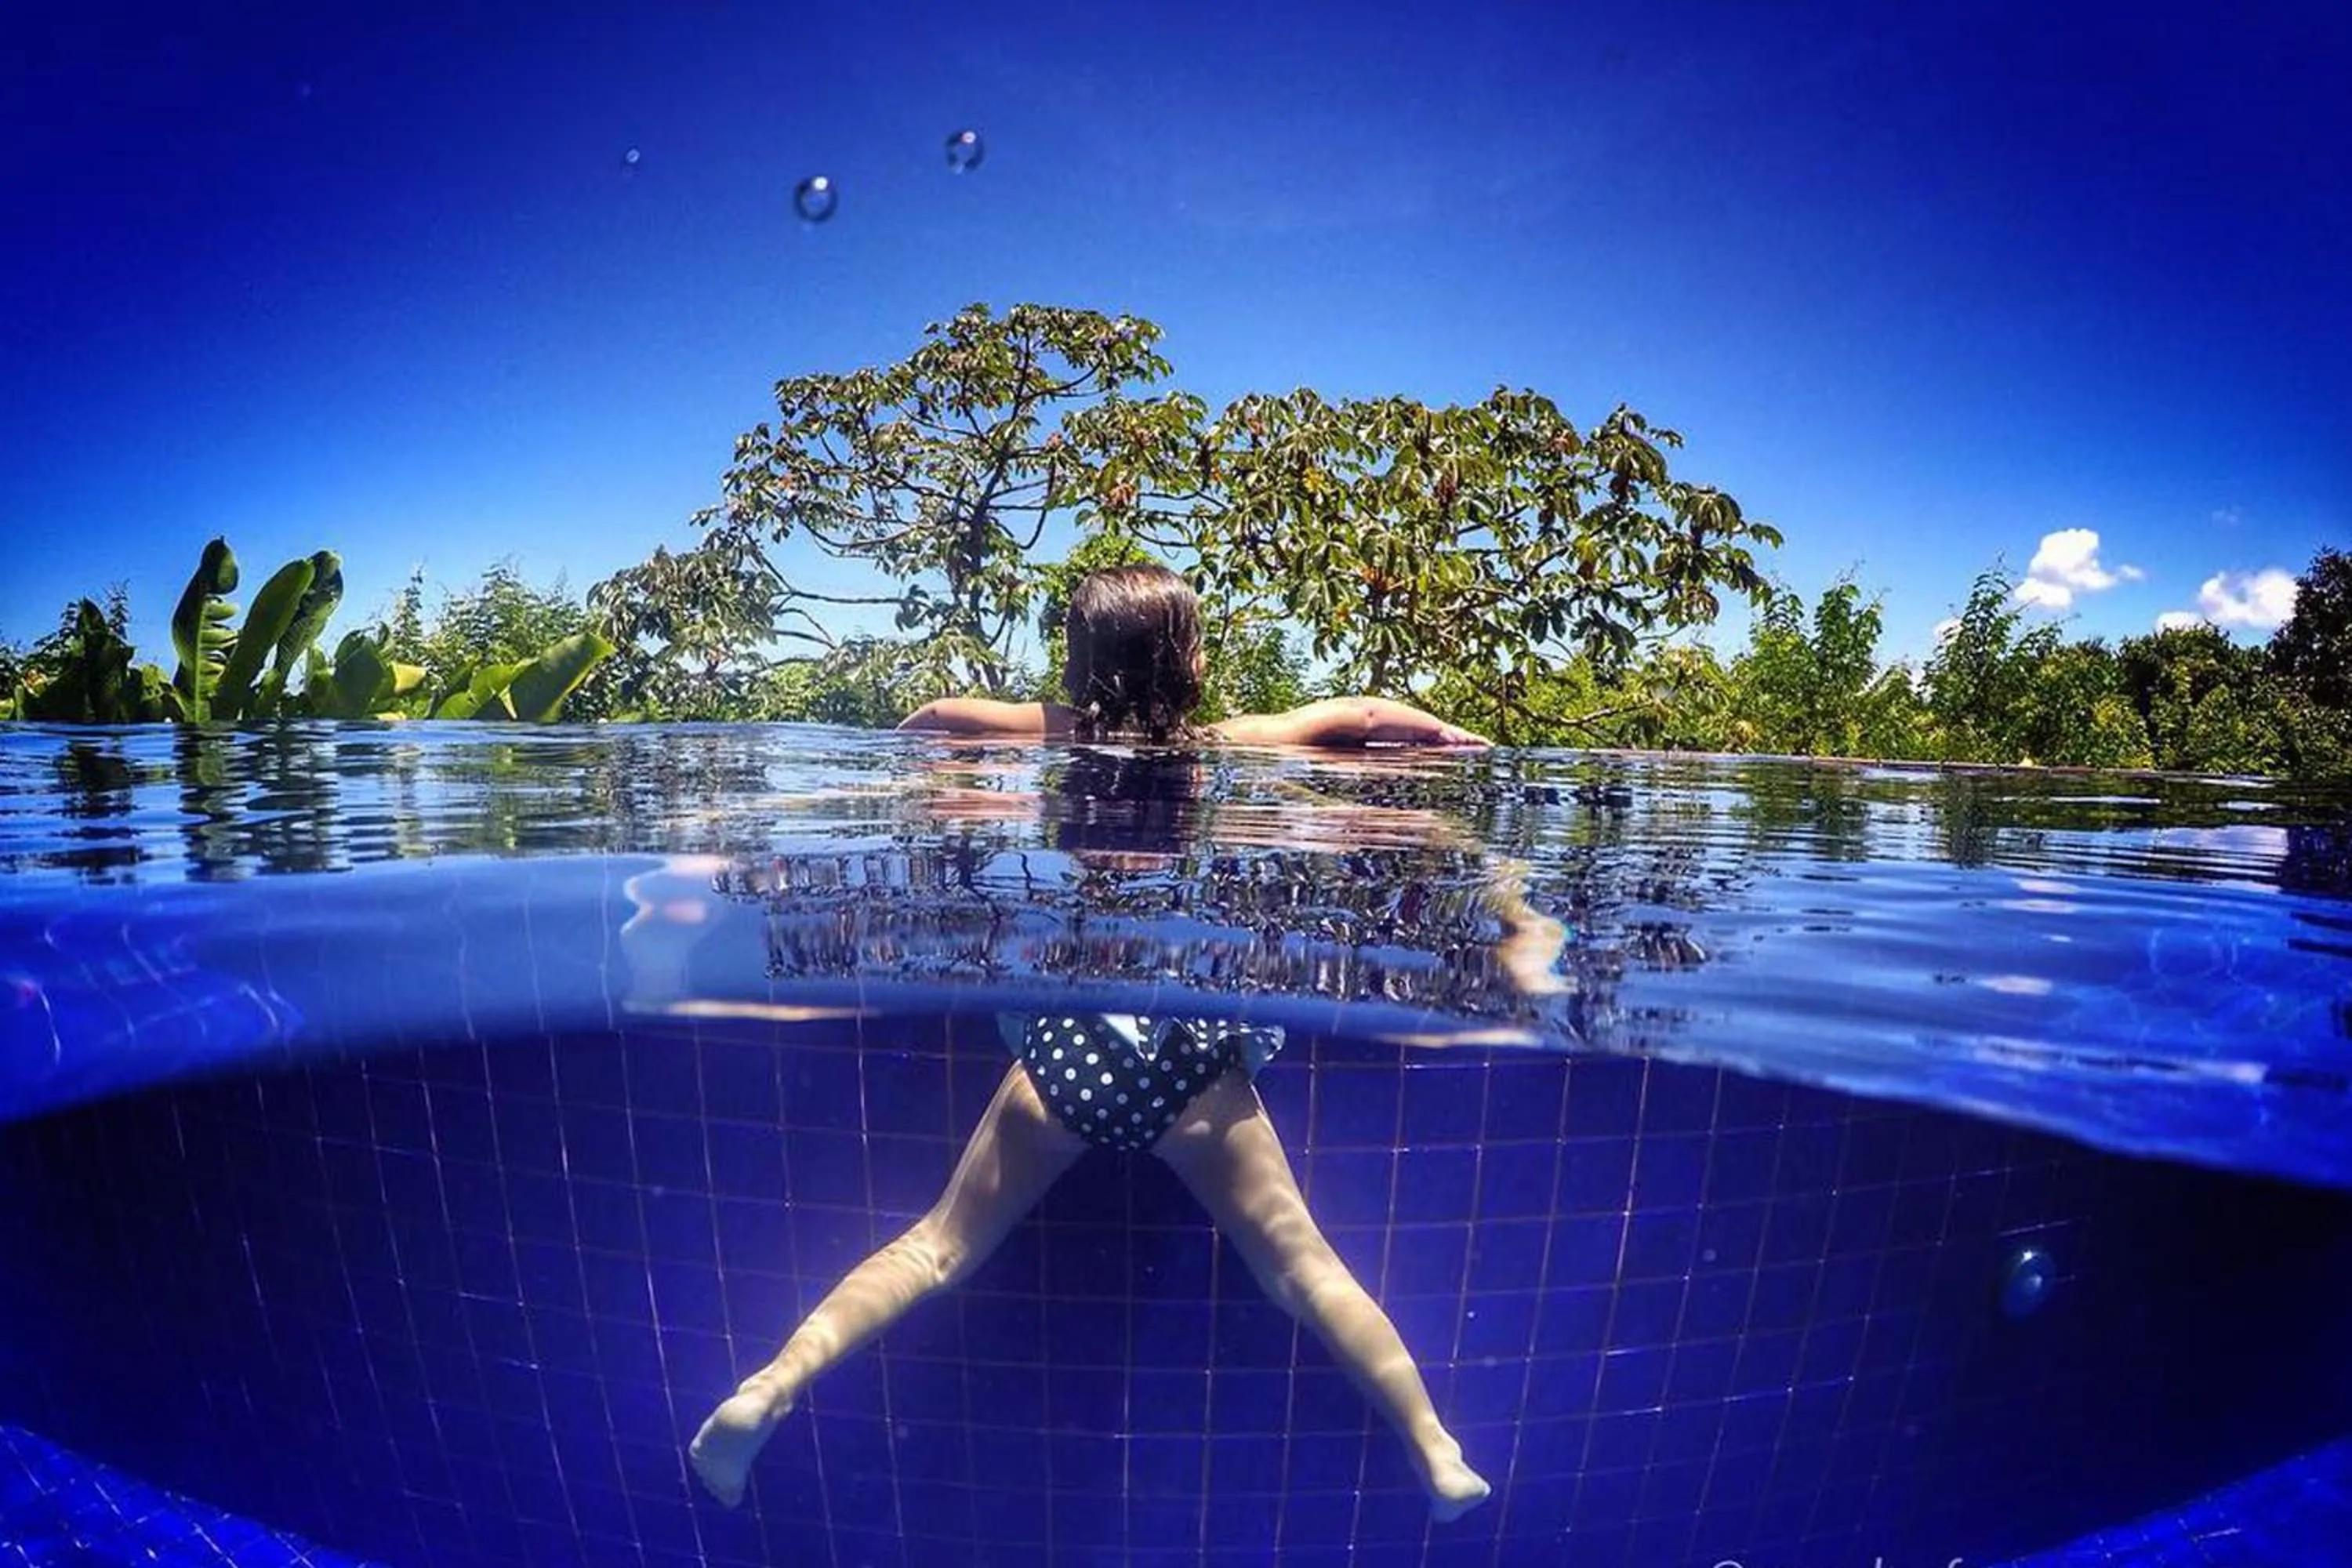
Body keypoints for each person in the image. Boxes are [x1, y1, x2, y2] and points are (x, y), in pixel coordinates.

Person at [688, 562, 1495, 1521]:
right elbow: (1353, 717)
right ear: (1191, 659)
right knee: (1305, 1269)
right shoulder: (1228, 743)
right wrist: (1440, 736)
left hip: (1067, 1050)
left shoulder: (1055, 734)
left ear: (1074, 659)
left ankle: (765, 1393)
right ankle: (1436, 1450)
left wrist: (907, 769)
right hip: (1191, 1055)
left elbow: (940, 714)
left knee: (934, 1249)